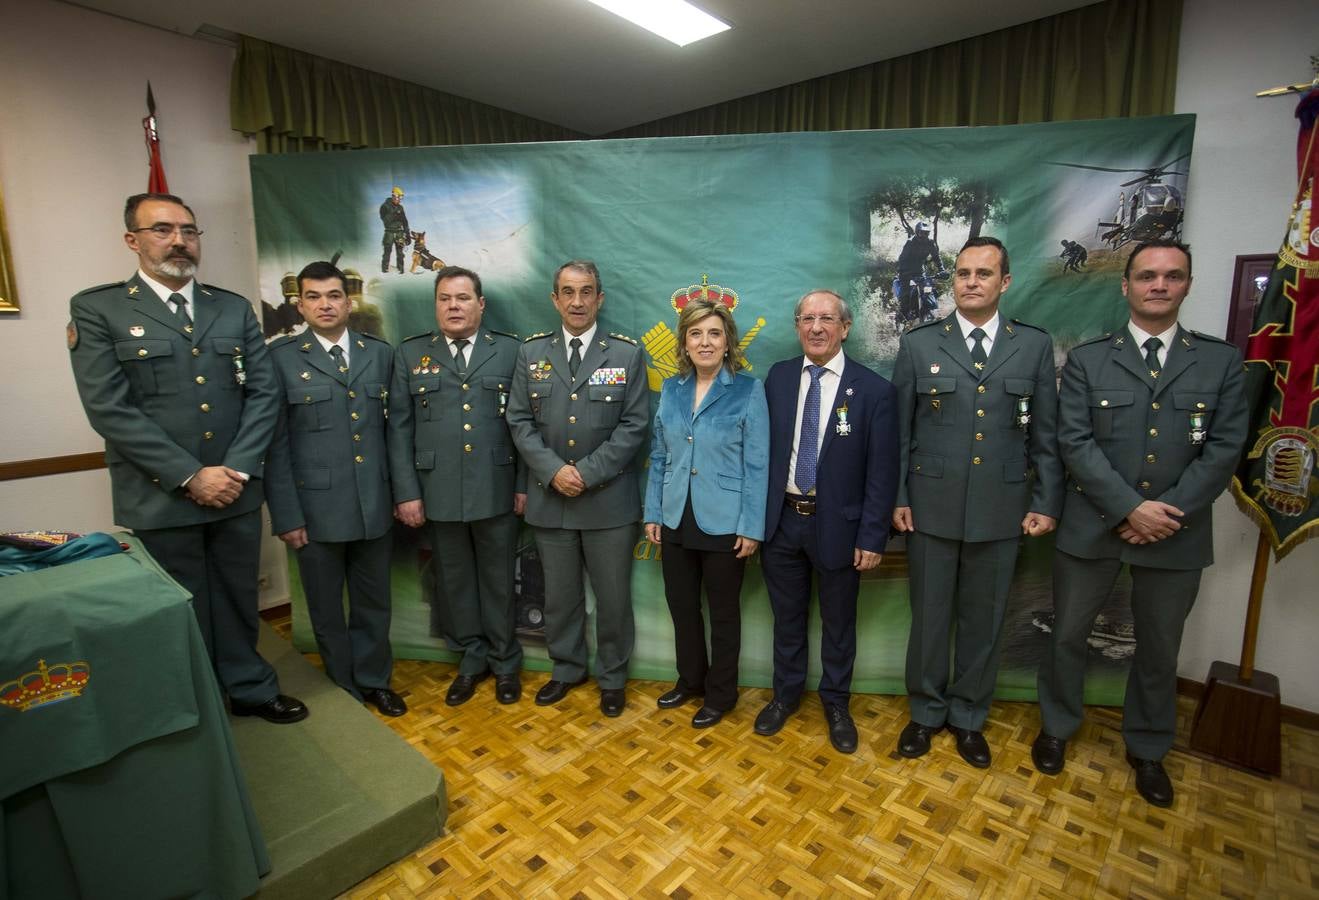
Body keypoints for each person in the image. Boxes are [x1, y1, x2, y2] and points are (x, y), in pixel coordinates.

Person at [67, 192, 306, 723]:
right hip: (160, 495)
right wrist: (190, 475)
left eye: (189, 230)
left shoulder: (231, 307)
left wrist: (235, 469)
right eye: (162, 229)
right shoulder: (99, 308)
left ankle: (249, 688)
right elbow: (108, 408)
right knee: (180, 604)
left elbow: (264, 394)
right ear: (133, 240)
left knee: (237, 597)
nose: (179, 240)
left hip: (236, 491)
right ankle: (192, 702)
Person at [1033, 239, 1248, 807]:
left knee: (1158, 647)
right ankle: (1056, 727)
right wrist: (1130, 508)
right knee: (1068, 636)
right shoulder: (1087, 359)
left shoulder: (1222, 361)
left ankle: (1149, 748)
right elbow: (1072, 440)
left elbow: (1225, 450)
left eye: (1171, 276)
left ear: (1186, 286)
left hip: (1177, 530)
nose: (1159, 285)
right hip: (1093, 526)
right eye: (1147, 276)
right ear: (1125, 286)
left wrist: (1163, 513)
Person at [891, 236, 1062, 768]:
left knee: (984, 620)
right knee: (930, 620)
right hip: (931, 504)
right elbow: (899, 433)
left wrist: (1046, 500)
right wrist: (898, 497)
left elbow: (1047, 437)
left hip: (1002, 507)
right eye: (962, 273)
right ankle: (925, 713)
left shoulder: (1032, 346)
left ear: (1004, 282)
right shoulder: (920, 344)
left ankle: (967, 717)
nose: (970, 282)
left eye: (983, 274)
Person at [755, 289, 899, 753]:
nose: (816, 328)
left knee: (839, 623)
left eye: (827, 319)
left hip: (840, 526)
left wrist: (873, 534)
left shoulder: (874, 391)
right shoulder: (776, 379)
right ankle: (785, 696)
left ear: (845, 327)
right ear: (797, 325)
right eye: (807, 319)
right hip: (782, 523)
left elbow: (882, 472)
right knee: (787, 619)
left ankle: (836, 703)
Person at [505, 260, 648, 717]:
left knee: (612, 599)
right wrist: (553, 471)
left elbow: (635, 425)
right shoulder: (531, 354)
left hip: (608, 501)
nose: (577, 301)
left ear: (600, 298)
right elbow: (519, 421)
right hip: (551, 500)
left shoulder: (626, 354)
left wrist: (585, 472)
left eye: (586, 291)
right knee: (559, 597)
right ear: (555, 299)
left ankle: (612, 676)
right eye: (568, 292)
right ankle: (566, 669)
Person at [265, 261, 406, 717]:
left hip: (373, 504)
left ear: (349, 301)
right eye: (313, 297)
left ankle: (373, 680)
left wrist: (401, 495)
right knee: (325, 609)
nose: (325, 305)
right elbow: (275, 444)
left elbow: (397, 434)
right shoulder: (281, 359)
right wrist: (287, 515)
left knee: (373, 605)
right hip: (316, 510)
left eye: (333, 296)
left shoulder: (379, 354)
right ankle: (342, 685)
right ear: (300, 304)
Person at [389, 266, 526, 706]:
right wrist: (407, 491)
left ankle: (506, 663)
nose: (454, 306)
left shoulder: (509, 352)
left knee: (500, 581)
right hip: (437, 490)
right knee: (454, 582)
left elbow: (526, 428)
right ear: (436, 305)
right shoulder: (411, 354)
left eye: (463, 298)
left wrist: (524, 485)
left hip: (496, 486)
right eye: (445, 298)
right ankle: (472, 659)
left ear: (480, 304)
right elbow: (399, 430)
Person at [643, 299, 769, 728]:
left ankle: (721, 694)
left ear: (727, 341)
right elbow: (659, 456)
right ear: (684, 342)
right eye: (696, 333)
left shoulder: (749, 390)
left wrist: (751, 526)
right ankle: (690, 680)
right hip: (676, 515)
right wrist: (653, 512)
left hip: (726, 521)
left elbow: (758, 465)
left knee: (723, 613)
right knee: (682, 606)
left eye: (714, 333)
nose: (705, 342)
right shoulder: (671, 389)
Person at [896, 223, 941, 324]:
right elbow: (902, 259)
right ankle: (902, 319)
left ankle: (929, 311)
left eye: (926, 233)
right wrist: (904, 272)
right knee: (906, 296)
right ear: (917, 232)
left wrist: (942, 270)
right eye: (922, 233)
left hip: (920, 273)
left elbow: (936, 257)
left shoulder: (930, 243)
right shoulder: (910, 242)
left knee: (929, 291)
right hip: (906, 273)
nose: (924, 235)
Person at [379, 186, 410, 274]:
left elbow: (405, 221)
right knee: (387, 251)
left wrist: (407, 234)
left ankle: (400, 269)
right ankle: (384, 269)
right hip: (389, 232)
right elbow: (384, 219)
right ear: (393, 196)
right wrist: (394, 215)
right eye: (398, 197)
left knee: (400, 253)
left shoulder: (400, 208)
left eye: (401, 198)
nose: (400, 200)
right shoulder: (385, 207)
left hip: (399, 232)